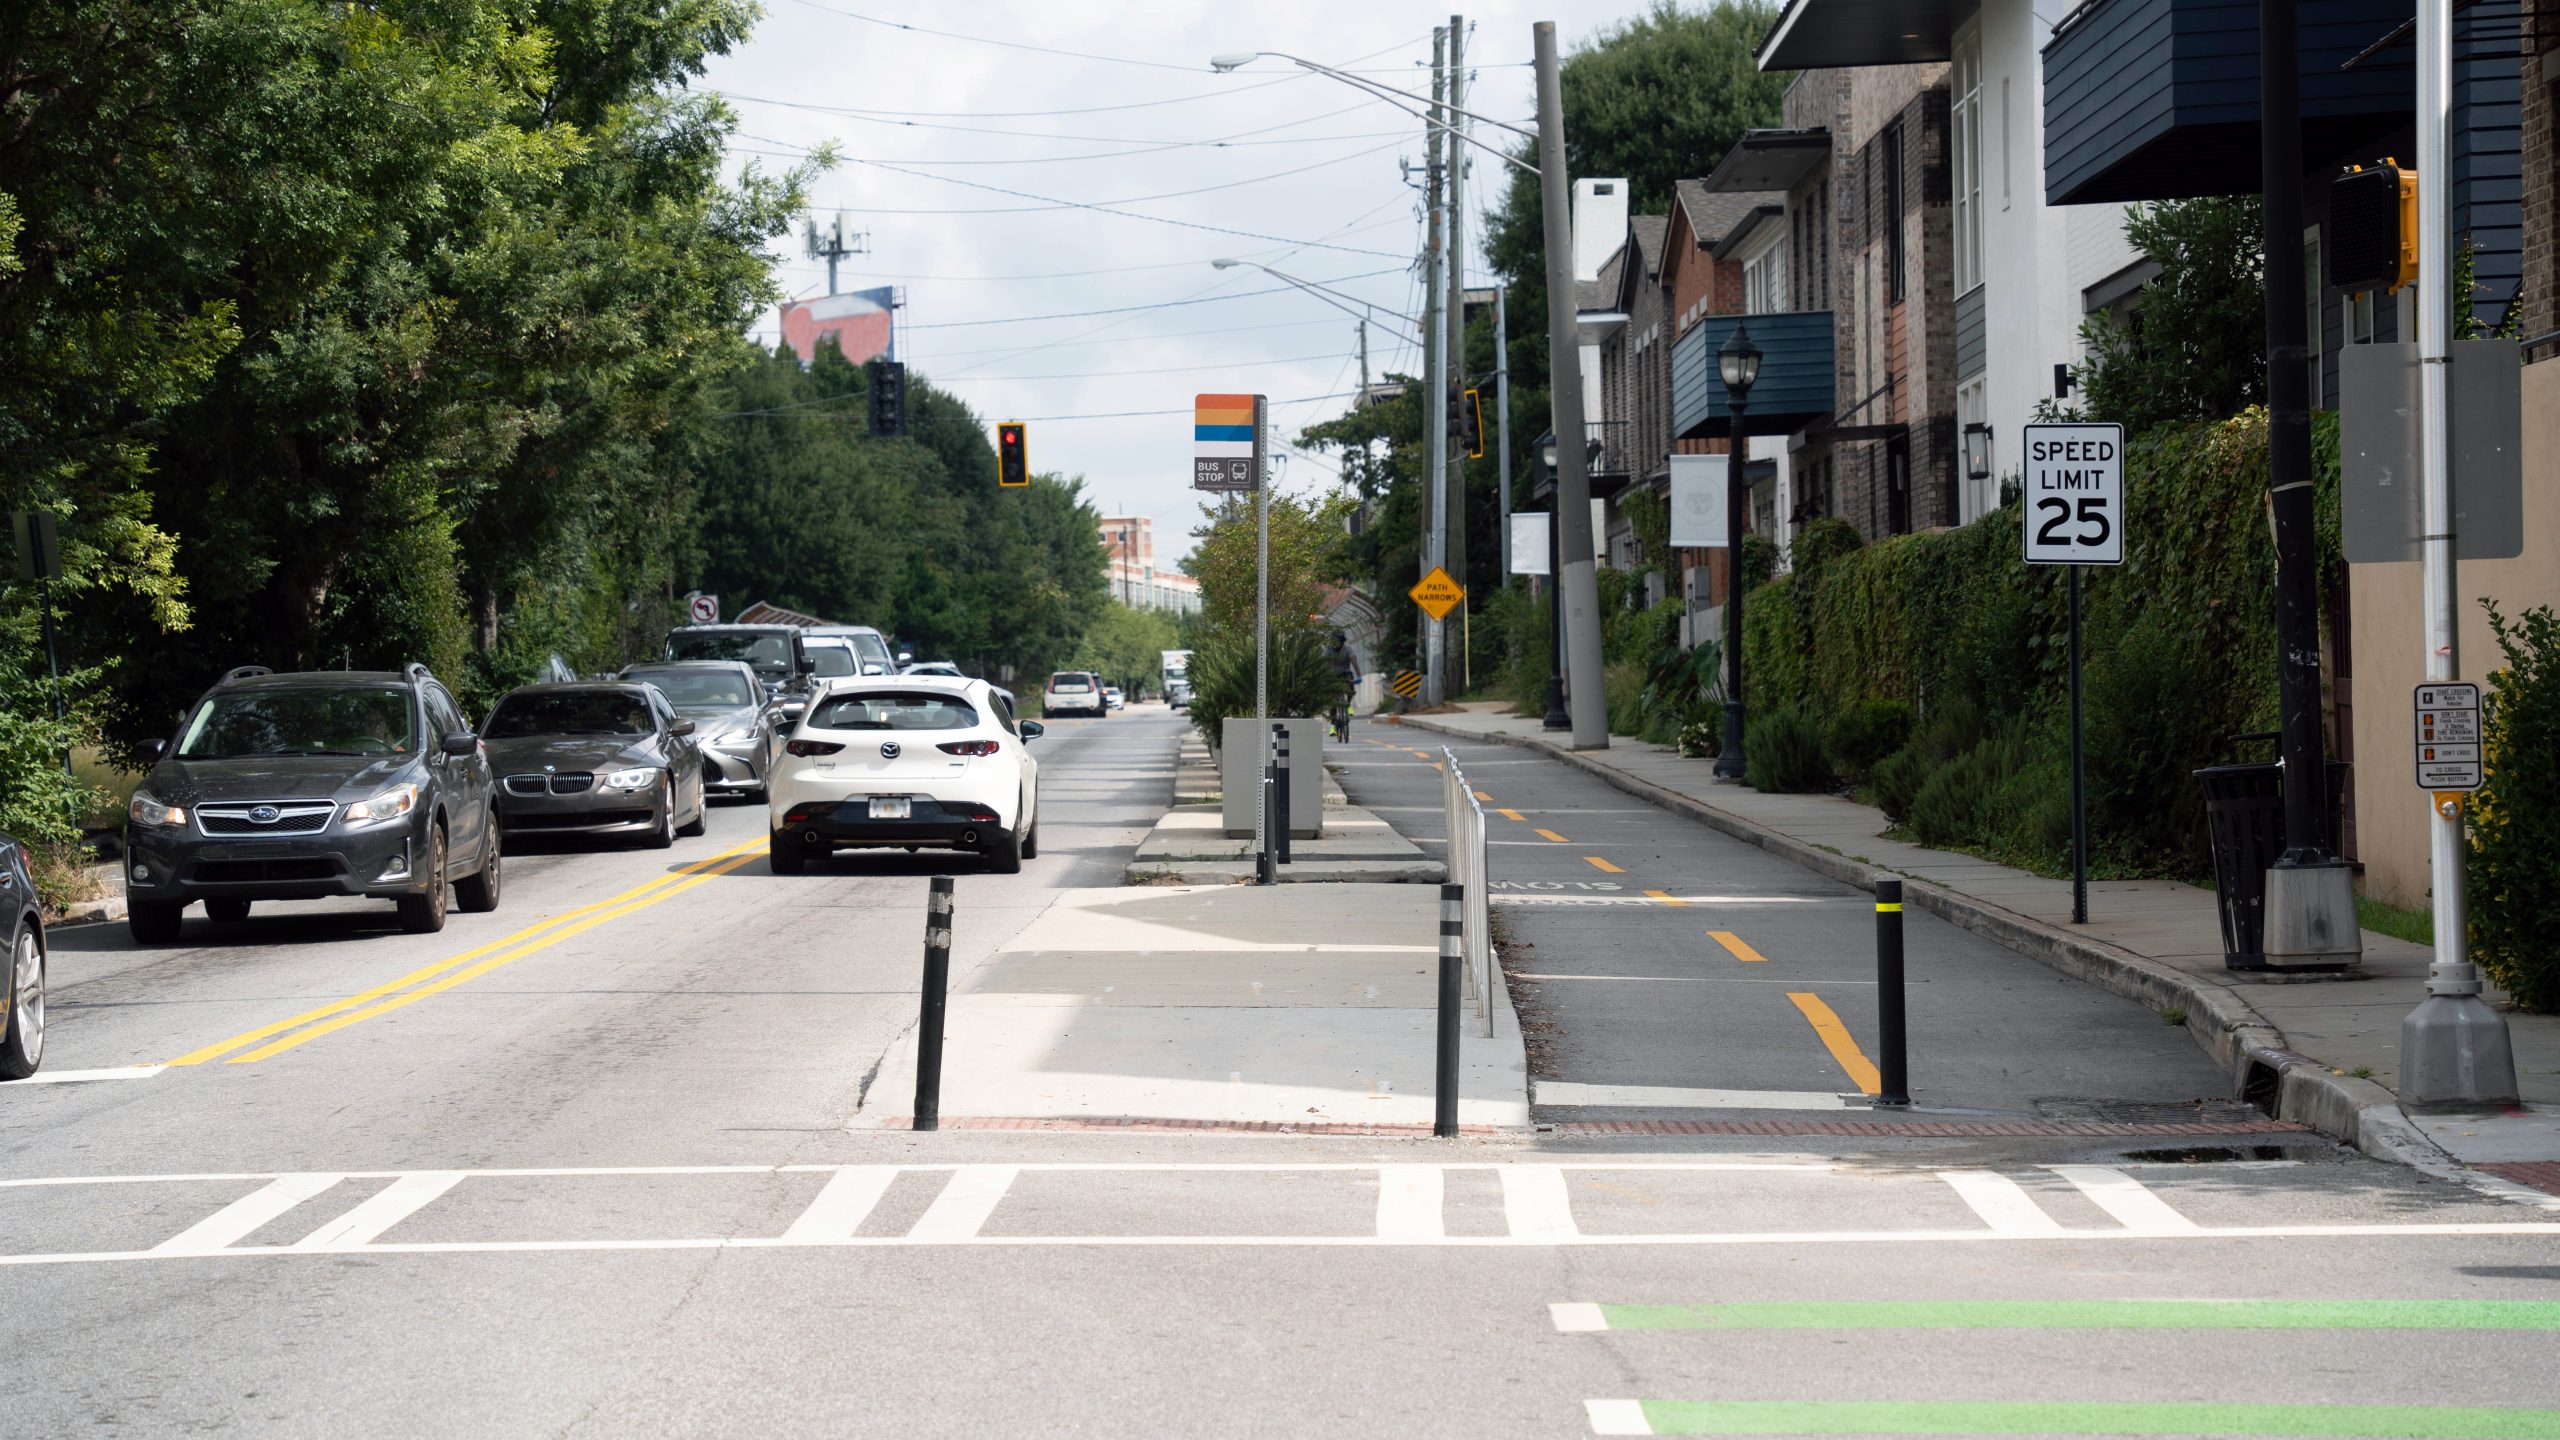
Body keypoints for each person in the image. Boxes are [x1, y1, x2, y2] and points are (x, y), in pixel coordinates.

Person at [1323, 631, 1358, 742]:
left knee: (1350, 685)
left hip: (1345, 673)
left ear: (1343, 642)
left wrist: (1359, 675)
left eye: (1340, 642)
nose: (1338, 644)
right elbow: (1324, 664)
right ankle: (1333, 726)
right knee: (1333, 701)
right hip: (1332, 675)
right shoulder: (1328, 650)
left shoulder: (1348, 649)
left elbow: (1354, 661)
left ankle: (1347, 705)